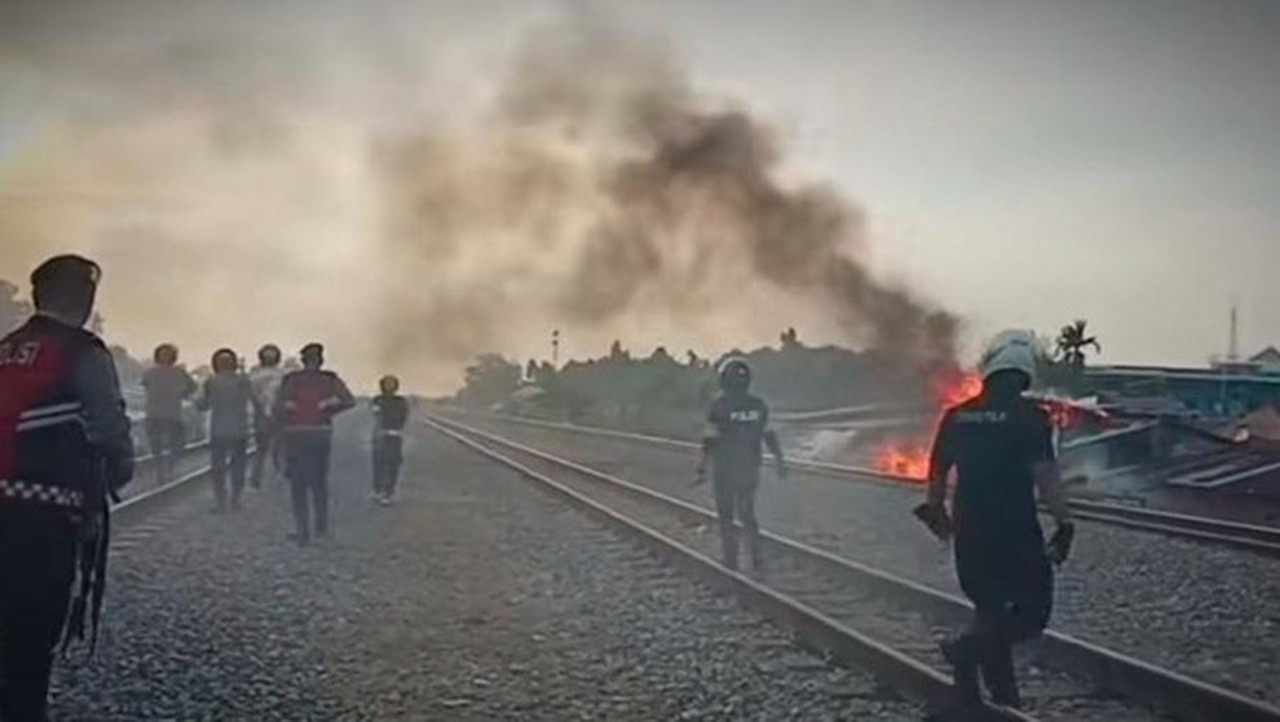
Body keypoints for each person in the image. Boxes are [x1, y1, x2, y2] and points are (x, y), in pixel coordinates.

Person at [0, 255, 134, 722]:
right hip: (44, 521)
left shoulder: (4, 347)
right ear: (86, 298)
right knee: (28, 644)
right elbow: (109, 430)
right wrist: (117, 474)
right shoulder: (85, 353)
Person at [917, 330, 1075, 709]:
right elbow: (1046, 476)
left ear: (989, 373)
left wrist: (935, 510)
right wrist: (1064, 523)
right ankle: (965, 651)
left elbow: (937, 470)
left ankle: (1000, 697)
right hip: (1016, 529)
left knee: (988, 609)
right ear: (1024, 376)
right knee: (1032, 613)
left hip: (970, 528)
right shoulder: (1031, 419)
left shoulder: (957, 417)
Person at [694, 358, 787, 571]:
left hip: (725, 470)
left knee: (726, 516)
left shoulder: (719, 406)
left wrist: (701, 468)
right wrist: (780, 462)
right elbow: (770, 436)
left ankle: (731, 561)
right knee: (747, 513)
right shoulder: (758, 405)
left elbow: (710, 439)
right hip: (750, 468)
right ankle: (757, 558)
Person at [274, 343, 354, 544]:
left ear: (303, 360)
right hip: (320, 433)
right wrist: (328, 410)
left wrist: (288, 411)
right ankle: (321, 526)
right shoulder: (329, 379)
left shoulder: (291, 380)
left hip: (295, 434)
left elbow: (277, 407)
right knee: (319, 481)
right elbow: (348, 400)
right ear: (321, 360)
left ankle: (302, 531)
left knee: (298, 485)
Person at [194, 348, 259, 512]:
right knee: (238, 467)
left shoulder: (211, 382)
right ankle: (236, 500)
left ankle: (220, 502)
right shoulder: (243, 381)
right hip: (239, 429)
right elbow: (255, 401)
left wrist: (195, 399)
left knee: (218, 468)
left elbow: (203, 405)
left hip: (218, 430)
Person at [140, 343, 196, 482]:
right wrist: (183, 394)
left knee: (174, 444)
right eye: (162, 354)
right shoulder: (153, 372)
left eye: (167, 354)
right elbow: (192, 388)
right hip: (159, 413)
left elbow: (192, 387)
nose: (165, 357)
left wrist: (183, 394)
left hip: (167, 413)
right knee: (160, 445)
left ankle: (167, 468)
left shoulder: (176, 372)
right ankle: (162, 470)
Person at [249, 343, 286, 489]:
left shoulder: (254, 375)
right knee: (279, 448)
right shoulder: (283, 376)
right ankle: (279, 476)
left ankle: (256, 479)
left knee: (261, 449)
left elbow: (251, 396)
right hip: (279, 416)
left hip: (261, 416)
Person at [370, 375, 410, 505]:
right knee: (379, 464)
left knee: (392, 464)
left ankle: (387, 492)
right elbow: (377, 416)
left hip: (393, 434)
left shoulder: (399, 401)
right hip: (383, 435)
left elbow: (403, 417)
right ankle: (379, 490)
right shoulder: (378, 400)